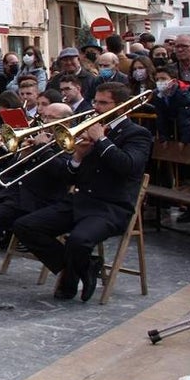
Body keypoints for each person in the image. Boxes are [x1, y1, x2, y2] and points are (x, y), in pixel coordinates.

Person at [12, 82, 152, 302]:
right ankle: (81, 268)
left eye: (104, 103)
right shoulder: (89, 126)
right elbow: (70, 175)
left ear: (122, 106)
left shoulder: (137, 134)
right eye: (95, 101)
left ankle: (72, 276)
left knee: (78, 241)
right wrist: (77, 157)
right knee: (25, 226)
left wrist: (102, 140)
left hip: (111, 207)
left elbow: (129, 166)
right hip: (80, 199)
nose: (96, 107)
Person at [0, 102, 74, 297]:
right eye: (44, 117)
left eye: (50, 119)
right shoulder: (43, 140)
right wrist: (23, 155)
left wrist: (44, 149)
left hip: (40, 199)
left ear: (66, 122)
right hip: (15, 192)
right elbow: (14, 170)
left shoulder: (70, 142)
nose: (44, 123)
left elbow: (63, 174)